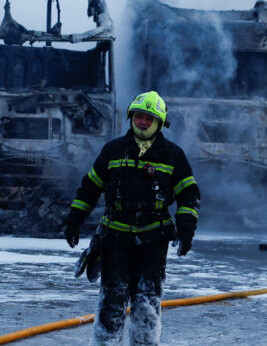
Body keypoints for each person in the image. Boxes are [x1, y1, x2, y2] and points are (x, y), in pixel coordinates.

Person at [64, 91, 200, 345]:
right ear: (131, 118)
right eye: (139, 116)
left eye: (149, 118)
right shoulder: (113, 151)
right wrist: (74, 220)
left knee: (147, 302)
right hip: (115, 240)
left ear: (160, 123)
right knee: (111, 300)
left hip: (153, 241)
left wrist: (186, 231)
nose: (143, 122)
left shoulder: (173, 156)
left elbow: (189, 195)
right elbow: (90, 187)